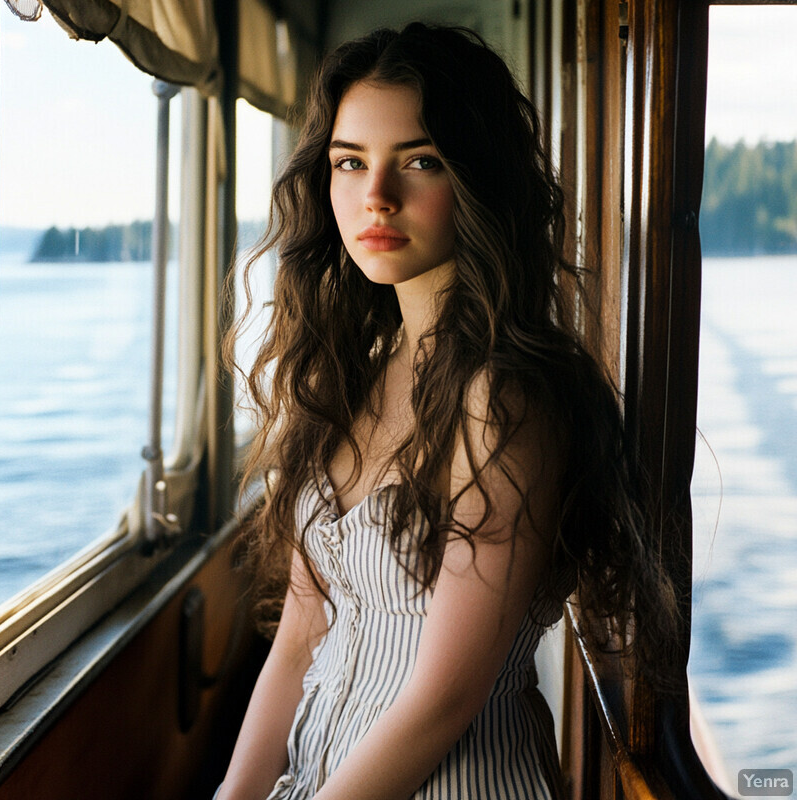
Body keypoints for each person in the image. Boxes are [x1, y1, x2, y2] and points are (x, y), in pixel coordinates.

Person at [217, 22, 678, 800]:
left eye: (418, 161)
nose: (377, 197)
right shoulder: (349, 380)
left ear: (476, 178)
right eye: (350, 162)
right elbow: (299, 639)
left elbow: (442, 701)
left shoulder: (505, 400)